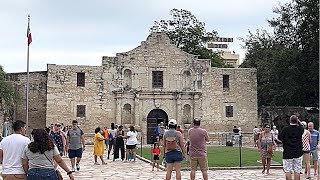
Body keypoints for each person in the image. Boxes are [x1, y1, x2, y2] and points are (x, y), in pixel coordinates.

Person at [278, 115, 304, 180]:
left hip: (287, 152)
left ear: (290, 121)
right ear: (297, 121)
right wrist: (298, 121)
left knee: (287, 170)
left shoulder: (285, 129)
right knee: (297, 170)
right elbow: (302, 126)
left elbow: (279, 139)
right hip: (298, 152)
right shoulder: (300, 129)